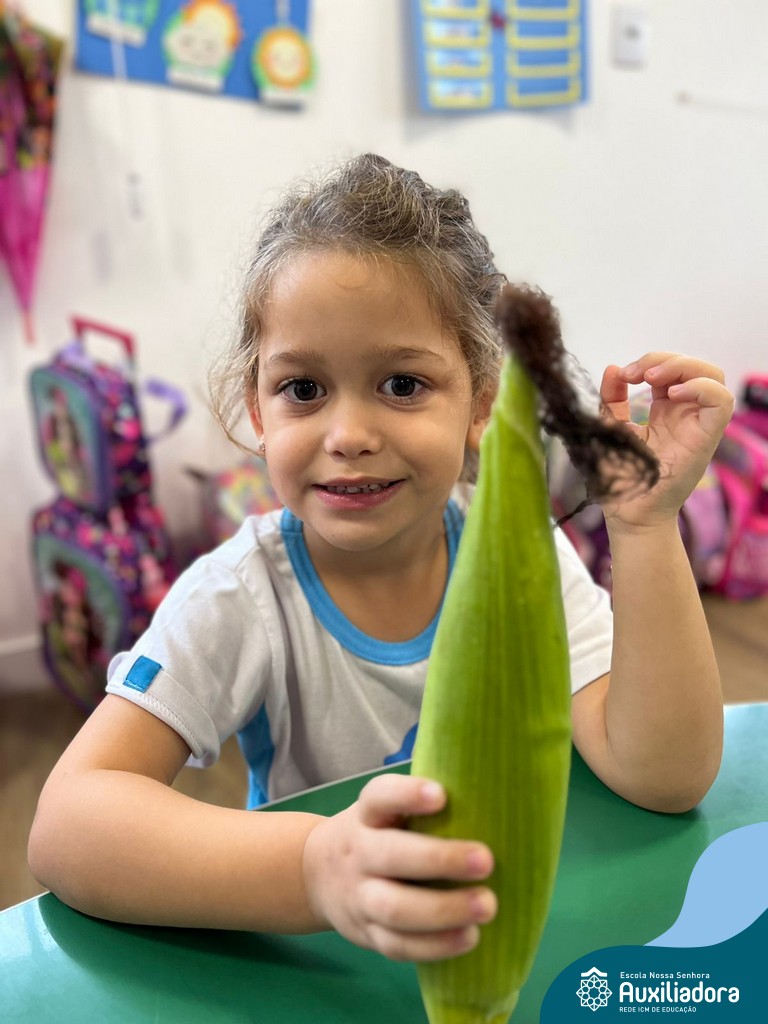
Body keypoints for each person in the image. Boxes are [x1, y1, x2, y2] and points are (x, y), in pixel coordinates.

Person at [28, 154, 732, 964]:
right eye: (303, 389)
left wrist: (644, 526)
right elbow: (67, 824)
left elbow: (664, 777)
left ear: (480, 402)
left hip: (492, 940)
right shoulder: (240, 596)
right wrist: (314, 869)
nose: (349, 435)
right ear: (257, 406)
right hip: (319, 961)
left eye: (401, 384)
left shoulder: (519, 559)